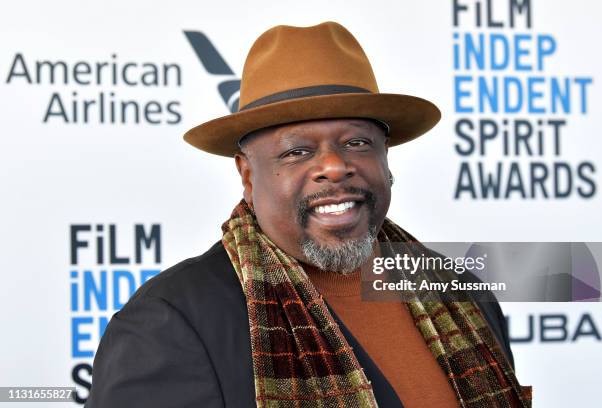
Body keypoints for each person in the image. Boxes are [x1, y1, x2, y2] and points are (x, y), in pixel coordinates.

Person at [86, 22, 531, 407]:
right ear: (247, 175)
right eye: (297, 151)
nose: (335, 166)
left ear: (386, 159)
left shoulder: (457, 290)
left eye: (357, 142)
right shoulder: (172, 322)